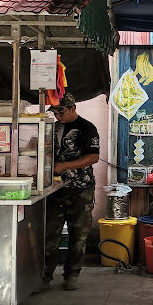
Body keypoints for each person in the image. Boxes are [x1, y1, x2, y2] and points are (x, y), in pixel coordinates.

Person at [44, 93, 100, 291]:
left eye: (61, 111)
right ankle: (44, 276)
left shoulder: (87, 128)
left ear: (73, 108)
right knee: (49, 236)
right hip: (54, 190)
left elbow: (93, 157)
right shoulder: (53, 128)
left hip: (81, 190)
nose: (58, 115)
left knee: (78, 236)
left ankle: (72, 275)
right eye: (55, 112)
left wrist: (64, 165)